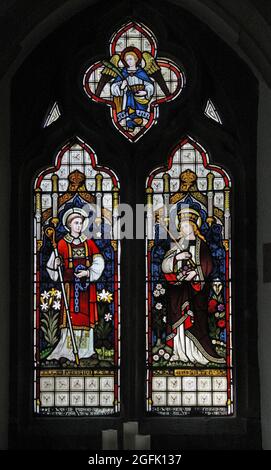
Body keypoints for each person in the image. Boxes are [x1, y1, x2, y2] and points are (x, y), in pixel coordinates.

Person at [162, 207, 225, 365]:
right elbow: (165, 266)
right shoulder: (176, 246)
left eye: (186, 226)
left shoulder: (200, 245)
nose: (183, 229)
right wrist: (177, 257)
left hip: (196, 291)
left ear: (194, 226)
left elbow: (207, 264)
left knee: (195, 321)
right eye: (181, 226)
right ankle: (179, 351)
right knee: (178, 321)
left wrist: (196, 274)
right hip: (178, 289)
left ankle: (197, 354)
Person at [46, 208, 104, 362]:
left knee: (86, 319)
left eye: (81, 223)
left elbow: (99, 261)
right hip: (70, 288)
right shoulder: (62, 244)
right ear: (69, 225)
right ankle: (68, 352)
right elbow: (51, 267)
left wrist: (88, 273)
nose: (79, 226)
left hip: (86, 287)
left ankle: (86, 351)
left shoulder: (88, 243)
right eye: (76, 223)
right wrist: (56, 264)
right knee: (70, 317)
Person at [111, 46, 154, 132]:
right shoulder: (123, 72)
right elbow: (114, 87)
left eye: (131, 59)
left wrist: (145, 92)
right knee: (129, 111)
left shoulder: (141, 72)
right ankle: (130, 123)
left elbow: (149, 85)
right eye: (127, 60)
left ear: (136, 59)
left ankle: (136, 121)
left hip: (141, 99)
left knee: (139, 115)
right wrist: (122, 87)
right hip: (127, 97)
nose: (129, 61)